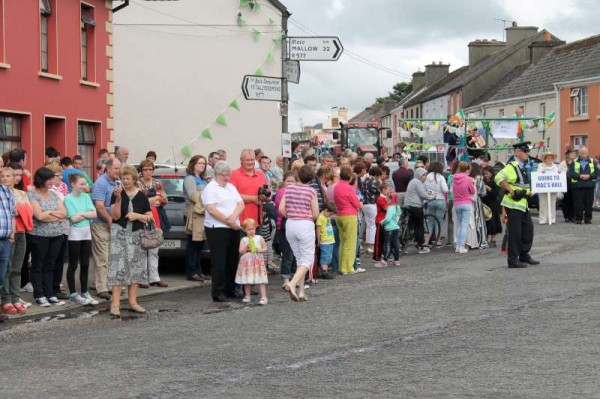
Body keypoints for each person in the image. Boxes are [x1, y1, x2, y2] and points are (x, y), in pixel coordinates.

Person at [108, 165, 152, 317]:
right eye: (123, 178)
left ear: (134, 179)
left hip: (136, 234)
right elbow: (114, 216)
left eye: (128, 178)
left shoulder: (142, 196)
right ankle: (115, 304)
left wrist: (137, 216)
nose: (125, 181)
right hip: (119, 233)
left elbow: (149, 216)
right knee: (118, 267)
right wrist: (119, 199)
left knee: (136, 268)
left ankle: (133, 302)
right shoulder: (117, 194)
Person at [202, 161, 244, 302]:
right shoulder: (210, 188)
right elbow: (212, 209)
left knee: (232, 260)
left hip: (233, 227)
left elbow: (240, 203)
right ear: (217, 174)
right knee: (219, 261)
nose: (227, 178)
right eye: (224, 175)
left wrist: (233, 218)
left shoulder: (231, 187)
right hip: (217, 228)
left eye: (228, 175)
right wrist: (228, 221)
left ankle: (230, 289)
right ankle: (218, 291)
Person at [495, 142, 540, 268]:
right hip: (513, 204)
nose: (527, 154)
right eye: (525, 151)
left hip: (522, 203)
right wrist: (510, 190)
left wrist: (528, 191)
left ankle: (524, 255)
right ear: (517, 152)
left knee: (528, 230)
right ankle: (513, 260)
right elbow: (498, 177)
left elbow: (521, 183)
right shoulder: (512, 165)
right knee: (515, 233)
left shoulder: (522, 166)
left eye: (528, 151)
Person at [28, 167, 67, 307]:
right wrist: (55, 215)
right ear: (41, 180)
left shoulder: (54, 194)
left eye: (52, 178)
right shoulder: (32, 195)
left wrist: (49, 213)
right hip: (39, 236)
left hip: (57, 235)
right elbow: (39, 216)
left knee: (51, 265)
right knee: (38, 264)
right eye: (49, 179)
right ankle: (39, 294)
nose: (52, 181)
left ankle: (50, 293)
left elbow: (64, 213)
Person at [279, 165, 319, 301]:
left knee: (299, 259)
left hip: (290, 224)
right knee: (307, 259)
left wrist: (290, 215)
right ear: (311, 178)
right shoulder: (312, 192)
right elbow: (315, 213)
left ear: (298, 176)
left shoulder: (289, 189)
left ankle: (301, 291)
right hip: (305, 224)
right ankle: (292, 284)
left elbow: (281, 208)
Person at [0, 168, 32, 315]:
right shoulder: (3, 193)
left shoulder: (22, 193)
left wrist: (21, 210)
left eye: (9, 176)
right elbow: (17, 212)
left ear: (15, 178)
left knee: (17, 268)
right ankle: (6, 299)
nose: (6, 178)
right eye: (3, 176)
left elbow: (28, 212)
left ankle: (16, 297)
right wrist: (21, 210)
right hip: (8, 233)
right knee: (6, 268)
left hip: (20, 233)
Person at [64, 174, 98, 305]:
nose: (84, 186)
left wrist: (82, 214)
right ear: (73, 184)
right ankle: (73, 293)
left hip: (86, 233)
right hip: (75, 234)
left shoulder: (86, 197)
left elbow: (94, 213)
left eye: (85, 184)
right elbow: (73, 218)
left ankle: (84, 291)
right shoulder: (68, 199)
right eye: (81, 184)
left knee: (85, 263)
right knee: (73, 264)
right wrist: (86, 214)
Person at [91, 158, 121, 300]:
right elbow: (99, 206)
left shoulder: (117, 182)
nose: (118, 171)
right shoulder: (101, 183)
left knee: (111, 256)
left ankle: (109, 285)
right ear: (108, 169)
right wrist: (110, 221)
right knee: (102, 257)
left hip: (113, 222)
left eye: (119, 168)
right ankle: (101, 288)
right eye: (115, 169)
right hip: (100, 223)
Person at [138, 160, 169, 288]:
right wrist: (155, 199)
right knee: (142, 249)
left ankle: (154, 278)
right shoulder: (137, 183)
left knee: (154, 250)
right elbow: (139, 201)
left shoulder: (157, 183)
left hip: (156, 217)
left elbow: (165, 199)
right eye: (145, 169)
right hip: (142, 218)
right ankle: (142, 278)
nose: (148, 172)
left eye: (150, 169)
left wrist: (159, 201)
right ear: (141, 170)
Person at [183, 155, 209, 282]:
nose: (202, 165)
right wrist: (208, 193)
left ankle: (198, 271)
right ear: (193, 164)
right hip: (194, 215)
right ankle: (191, 271)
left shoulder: (202, 179)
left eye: (204, 163)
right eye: (200, 163)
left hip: (203, 214)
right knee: (193, 245)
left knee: (200, 245)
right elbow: (193, 195)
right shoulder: (190, 178)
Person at [229, 149, 269, 226]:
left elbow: (268, 195)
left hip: (257, 222)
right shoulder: (233, 174)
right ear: (241, 160)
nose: (250, 162)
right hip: (240, 222)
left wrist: (265, 197)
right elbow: (232, 195)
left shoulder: (260, 175)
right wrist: (254, 199)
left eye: (252, 160)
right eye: (247, 160)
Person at [334, 167, 361, 275]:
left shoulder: (336, 187)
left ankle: (341, 266)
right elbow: (356, 203)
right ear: (349, 177)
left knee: (342, 242)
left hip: (339, 214)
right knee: (350, 243)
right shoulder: (349, 188)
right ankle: (348, 267)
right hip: (349, 215)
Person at [235, 218, 268, 305]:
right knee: (247, 280)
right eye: (249, 229)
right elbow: (240, 251)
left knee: (261, 279)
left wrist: (259, 250)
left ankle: (264, 297)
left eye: (253, 229)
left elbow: (265, 248)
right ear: (245, 230)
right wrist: (246, 248)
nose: (251, 231)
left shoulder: (259, 238)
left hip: (257, 260)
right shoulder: (244, 240)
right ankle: (247, 296)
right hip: (247, 262)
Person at [274, 172, 297, 287]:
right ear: (284, 182)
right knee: (287, 253)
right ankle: (286, 279)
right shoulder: (281, 192)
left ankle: (293, 276)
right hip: (283, 225)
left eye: (292, 181)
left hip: (293, 224)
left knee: (293, 253)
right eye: (288, 181)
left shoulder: (295, 192)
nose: (290, 183)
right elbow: (281, 208)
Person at [404, 168, 433, 254]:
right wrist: (433, 196)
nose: (425, 177)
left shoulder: (412, 181)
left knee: (411, 224)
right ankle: (421, 246)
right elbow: (423, 195)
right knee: (419, 226)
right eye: (423, 175)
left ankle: (407, 241)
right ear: (419, 175)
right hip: (415, 206)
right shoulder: (417, 182)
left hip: (408, 204)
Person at [568, 146, 597, 224]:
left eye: (585, 153)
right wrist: (579, 176)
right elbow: (570, 174)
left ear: (587, 153)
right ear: (579, 153)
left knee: (589, 204)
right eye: (582, 153)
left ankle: (588, 219)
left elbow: (596, 173)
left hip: (589, 186)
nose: (584, 155)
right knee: (578, 204)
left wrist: (589, 176)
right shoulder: (574, 161)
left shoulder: (592, 161)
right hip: (577, 186)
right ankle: (578, 219)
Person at [452, 162, 475, 254]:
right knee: (464, 226)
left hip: (456, 203)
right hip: (466, 203)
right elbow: (472, 190)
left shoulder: (454, 178)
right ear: (466, 169)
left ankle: (458, 246)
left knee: (460, 225)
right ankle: (461, 246)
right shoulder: (468, 179)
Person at [424, 161, 448, 247]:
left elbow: (424, 189)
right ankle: (437, 241)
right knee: (439, 221)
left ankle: (426, 241)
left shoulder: (426, 177)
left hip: (430, 200)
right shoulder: (441, 177)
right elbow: (445, 190)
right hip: (440, 200)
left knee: (429, 221)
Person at [361, 166, 383, 254]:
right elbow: (381, 191)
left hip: (364, 204)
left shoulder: (365, 180)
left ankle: (361, 241)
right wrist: (380, 182)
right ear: (377, 174)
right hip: (372, 204)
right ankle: (371, 245)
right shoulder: (375, 182)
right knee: (372, 225)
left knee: (365, 222)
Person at [467, 163, 488, 249]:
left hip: (468, 200)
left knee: (471, 222)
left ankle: (471, 242)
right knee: (478, 221)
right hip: (476, 201)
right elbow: (483, 192)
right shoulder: (478, 178)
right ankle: (480, 240)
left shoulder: (469, 178)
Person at [481, 166, 502, 247]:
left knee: (493, 222)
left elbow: (496, 193)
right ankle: (485, 239)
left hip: (492, 204)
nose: (485, 175)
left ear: (491, 173)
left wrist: (488, 188)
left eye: (487, 173)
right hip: (484, 203)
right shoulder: (483, 181)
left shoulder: (495, 181)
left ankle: (493, 240)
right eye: (484, 173)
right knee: (485, 222)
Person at [537, 151, 559, 225]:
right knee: (543, 204)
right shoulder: (540, 166)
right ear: (545, 159)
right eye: (548, 158)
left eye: (551, 158)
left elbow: (558, 176)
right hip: (543, 188)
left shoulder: (555, 167)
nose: (550, 159)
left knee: (552, 204)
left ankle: (552, 219)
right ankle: (542, 219)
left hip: (553, 188)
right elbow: (538, 176)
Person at [316, 203, 336, 278]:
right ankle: (324, 271)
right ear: (326, 210)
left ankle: (324, 269)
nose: (330, 216)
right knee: (325, 256)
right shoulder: (321, 218)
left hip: (330, 240)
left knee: (329, 256)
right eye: (330, 214)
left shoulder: (326, 216)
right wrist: (318, 240)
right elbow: (318, 230)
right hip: (325, 241)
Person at [381, 191, 401, 267]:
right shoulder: (397, 207)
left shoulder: (390, 208)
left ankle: (384, 260)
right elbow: (397, 216)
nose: (385, 199)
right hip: (396, 228)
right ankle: (396, 260)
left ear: (390, 200)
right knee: (396, 245)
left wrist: (382, 222)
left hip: (389, 228)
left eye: (386, 198)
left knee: (387, 244)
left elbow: (388, 219)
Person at [373, 183, 391, 266]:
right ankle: (377, 257)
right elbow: (386, 208)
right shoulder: (380, 199)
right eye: (387, 189)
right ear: (383, 190)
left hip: (385, 221)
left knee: (385, 240)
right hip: (380, 221)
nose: (389, 190)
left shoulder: (385, 198)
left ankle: (384, 255)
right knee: (379, 240)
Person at [560, 147, 577, 222]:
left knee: (574, 199)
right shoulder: (563, 163)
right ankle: (566, 216)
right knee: (566, 200)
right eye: (572, 153)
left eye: (574, 153)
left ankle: (572, 216)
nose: (573, 155)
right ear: (568, 154)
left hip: (574, 182)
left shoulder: (576, 162)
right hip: (566, 182)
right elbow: (559, 172)